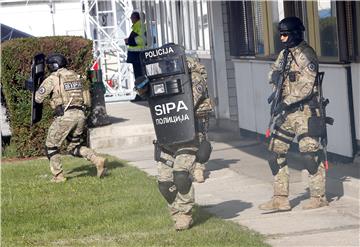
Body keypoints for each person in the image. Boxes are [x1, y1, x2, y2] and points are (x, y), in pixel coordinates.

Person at [136, 45, 212, 230]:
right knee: (164, 183)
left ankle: (185, 213)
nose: (165, 67)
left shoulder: (195, 78)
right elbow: (156, 103)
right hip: (167, 137)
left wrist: (162, 89)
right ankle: (176, 212)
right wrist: (145, 90)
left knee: (180, 175)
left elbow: (186, 101)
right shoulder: (163, 79)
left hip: (190, 136)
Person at [259, 17, 329, 211]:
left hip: (306, 112)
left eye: (285, 34)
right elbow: (273, 71)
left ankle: (318, 196)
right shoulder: (285, 54)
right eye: (280, 34)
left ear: (295, 34)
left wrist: (286, 102)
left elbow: (306, 86)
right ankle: (280, 198)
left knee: (310, 156)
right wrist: (273, 77)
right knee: (275, 153)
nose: (281, 38)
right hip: (286, 113)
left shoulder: (307, 54)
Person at [35, 53, 106, 183]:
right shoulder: (75, 76)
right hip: (80, 115)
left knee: (51, 146)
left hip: (65, 116)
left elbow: (38, 98)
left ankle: (58, 176)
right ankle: (97, 160)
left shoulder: (54, 78)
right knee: (73, 147)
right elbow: (86, 99)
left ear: (53, 65)